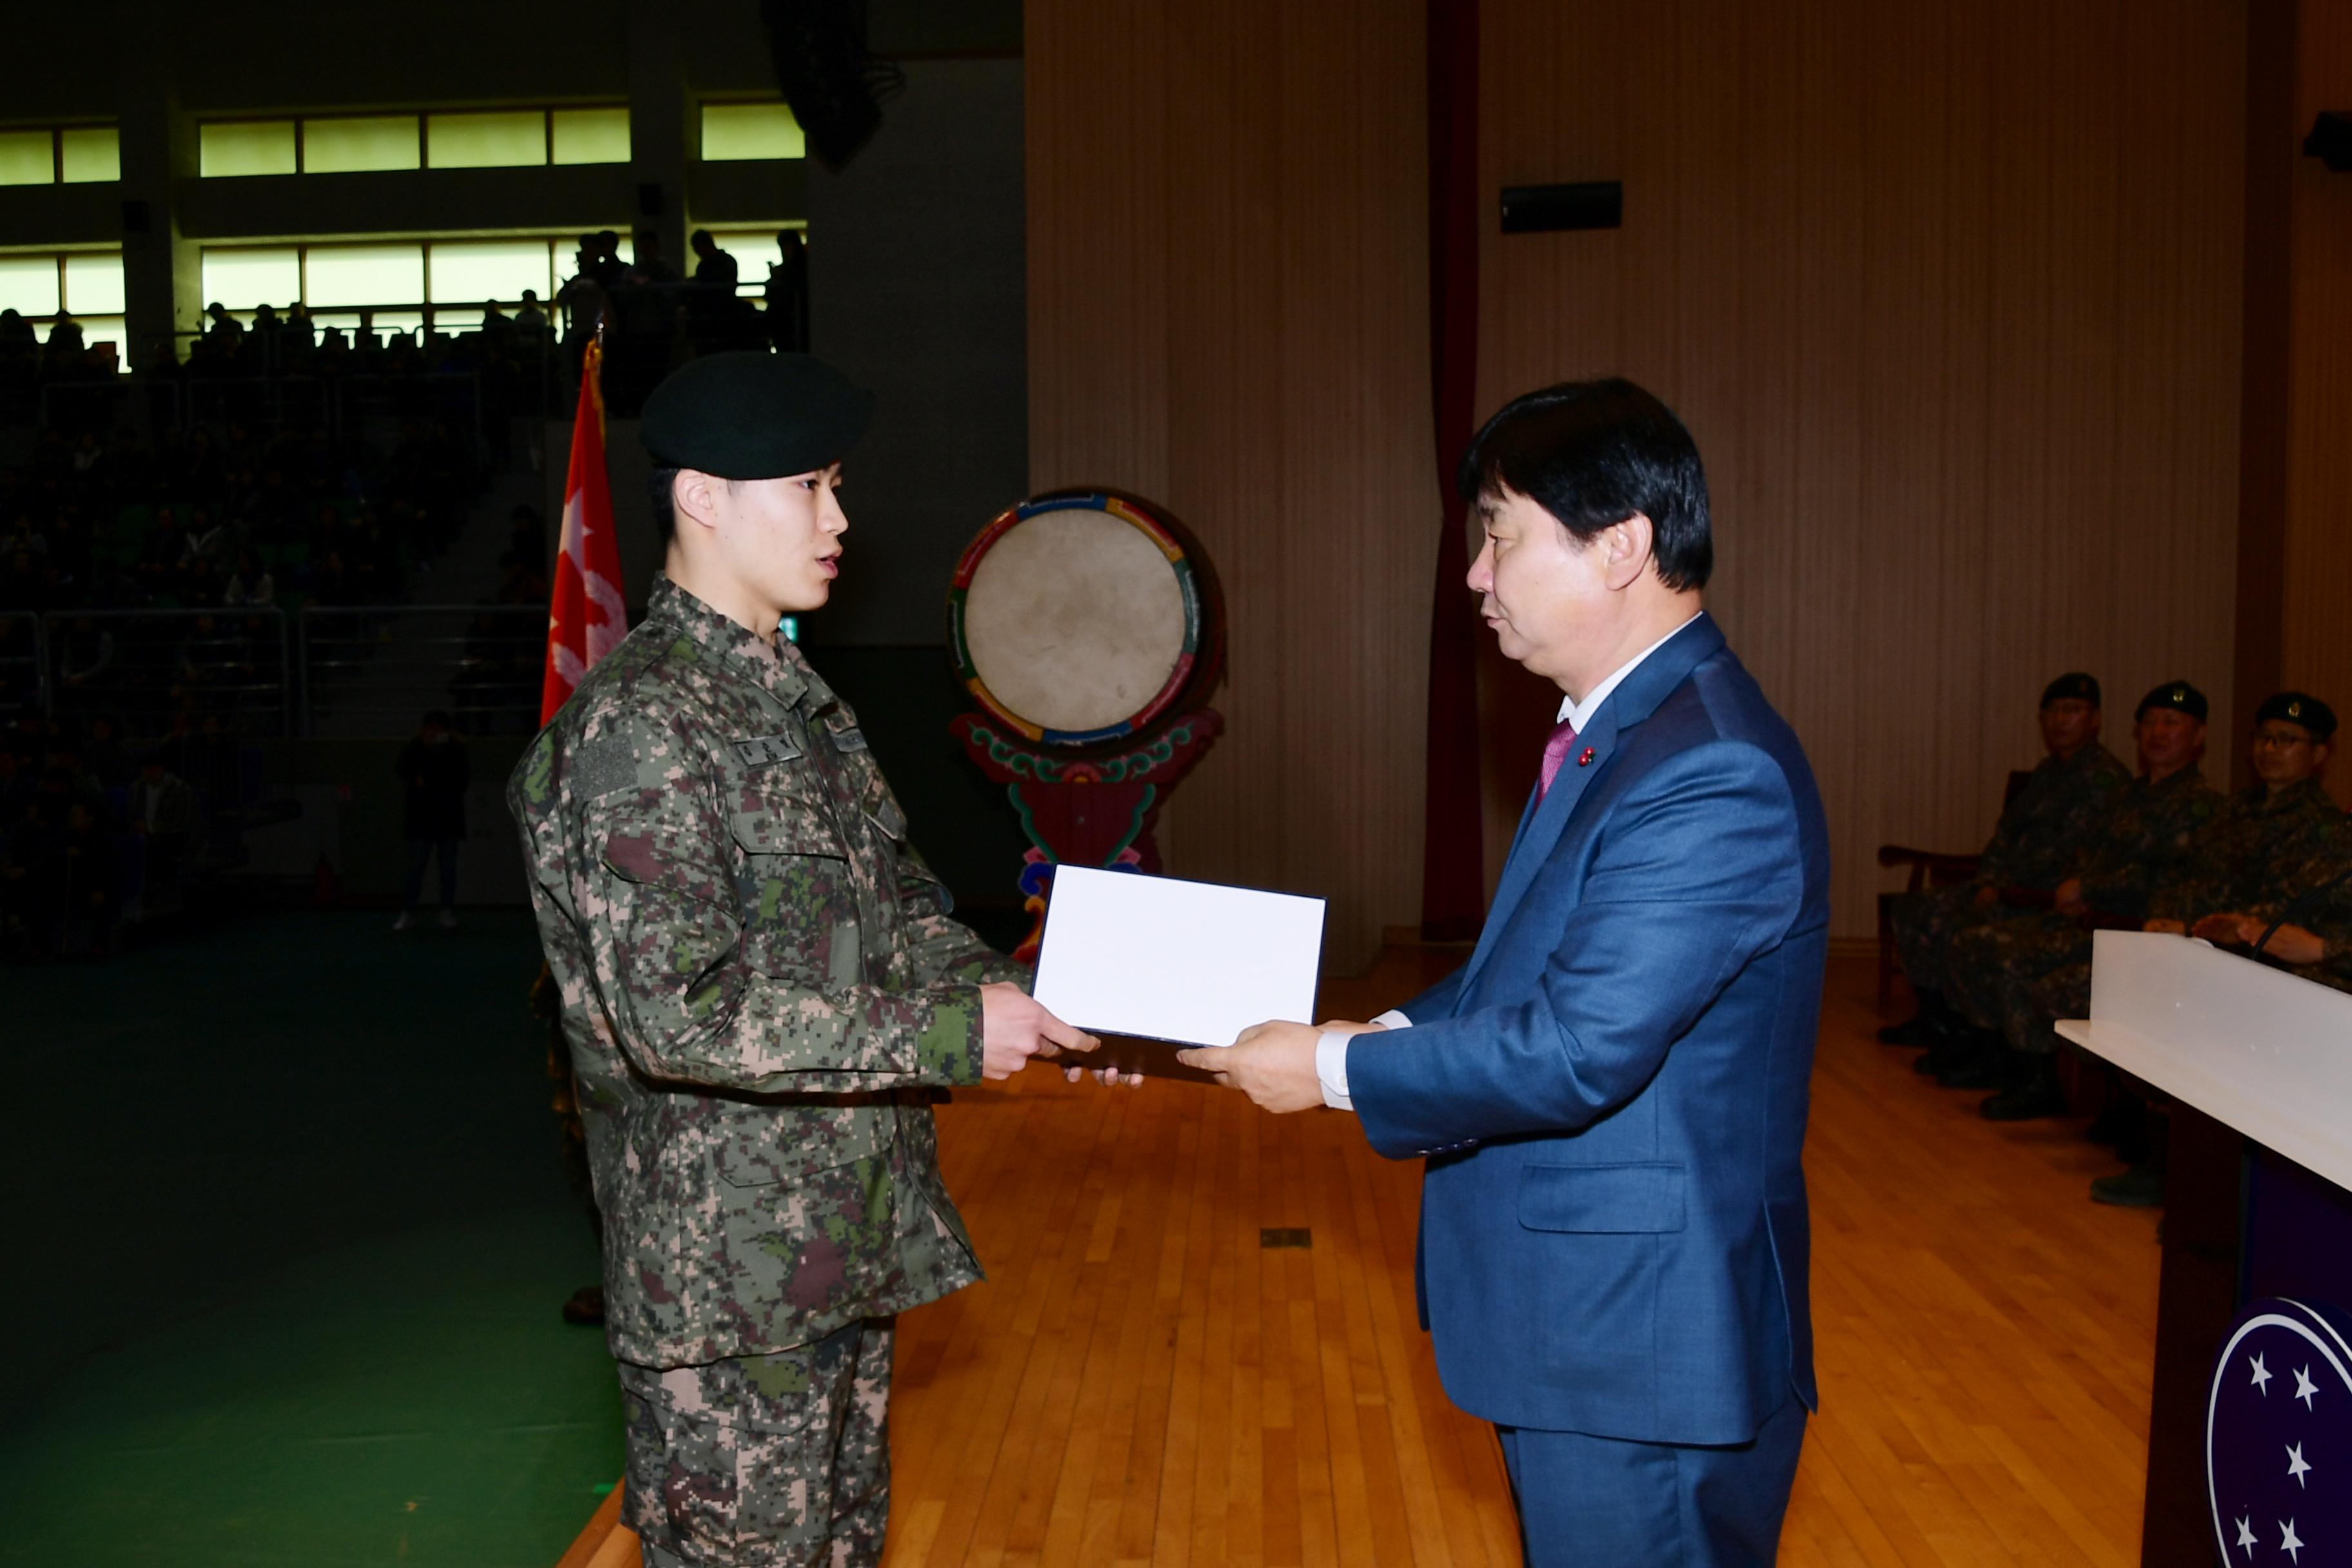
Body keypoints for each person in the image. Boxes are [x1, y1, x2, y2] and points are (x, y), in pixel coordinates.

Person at [1181, 380, 1827, 1565]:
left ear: (1621, 544)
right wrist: (1376, 1020)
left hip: (1640, 1354)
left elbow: (1576, 1047)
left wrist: (1330, 1066)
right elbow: (1519, 978)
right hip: (1595, 1331)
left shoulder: (1708, 770)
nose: (1474, 574)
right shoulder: (1627, 728)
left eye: (1498, 532)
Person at [507, 351, 1116, 1568]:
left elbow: (896, 904)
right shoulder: (642, 727)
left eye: (838, 485)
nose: (841, 519)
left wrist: (1008, 990)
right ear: (705, 499)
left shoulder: (789, 700)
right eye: (810, 484)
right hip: (729, 1294)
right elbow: (678, 1015)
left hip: (833, 1245)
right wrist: (949, 1035)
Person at [1941, 681, 2222, 1119]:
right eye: (2148, 723)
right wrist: (2077, 884)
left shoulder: (2202, 805)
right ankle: (2011, 1064)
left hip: (2132, 932)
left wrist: (2089, 888)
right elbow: (2084, 855)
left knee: (2016, 964)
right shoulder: (2129, 796)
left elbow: (2160, 876)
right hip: (2086, 921)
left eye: (2171, 723)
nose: (2157, 733)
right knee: (1979, 942)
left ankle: (2044, 1083)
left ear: (2199, 736)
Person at [1879, 673, 2131, 1071]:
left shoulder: (2105, 779)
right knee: (1915, 910)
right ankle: (1941, 1022)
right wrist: (1990, 879)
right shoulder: (2047, 772)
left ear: (2095, 719)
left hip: (2042, 899)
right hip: (2006, 887)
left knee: (1964, 930)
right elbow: (2005, 834)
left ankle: (1985, 1042)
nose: (2061, 720)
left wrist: (2005, 889)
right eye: (2053, 711)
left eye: (2073, 711)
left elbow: (2073, 857)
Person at [393, 709, 469, 931]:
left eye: (439, 728)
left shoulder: (455, 749)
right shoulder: (415, 747)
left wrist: (432, 779)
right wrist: (423, 749)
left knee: (447, 868)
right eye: (431, 727)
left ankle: (446, 910)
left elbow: (461, 779)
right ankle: (409, 911)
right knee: (416, 867)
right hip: (421, 817)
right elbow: (403, 770)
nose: (434, 732)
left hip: (447, 817)